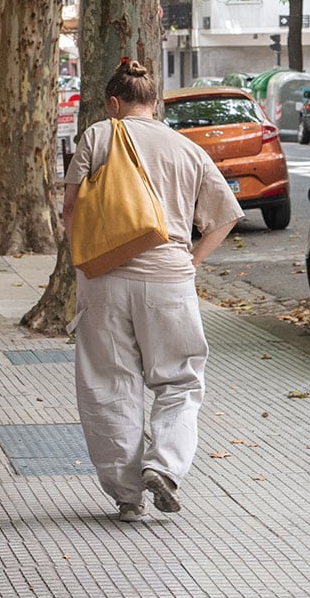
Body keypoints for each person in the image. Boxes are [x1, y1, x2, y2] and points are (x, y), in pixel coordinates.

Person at [62, 59, 243, 523]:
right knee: (180, 381)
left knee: (109, 383)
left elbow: (71, 212)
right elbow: (224, 217)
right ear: (155, 103)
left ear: (114, 103)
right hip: (169, 280)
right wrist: (193, 261)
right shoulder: (186, 149)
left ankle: (127, 497)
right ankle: (163, 465)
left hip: (104, 281)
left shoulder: (99, 136)